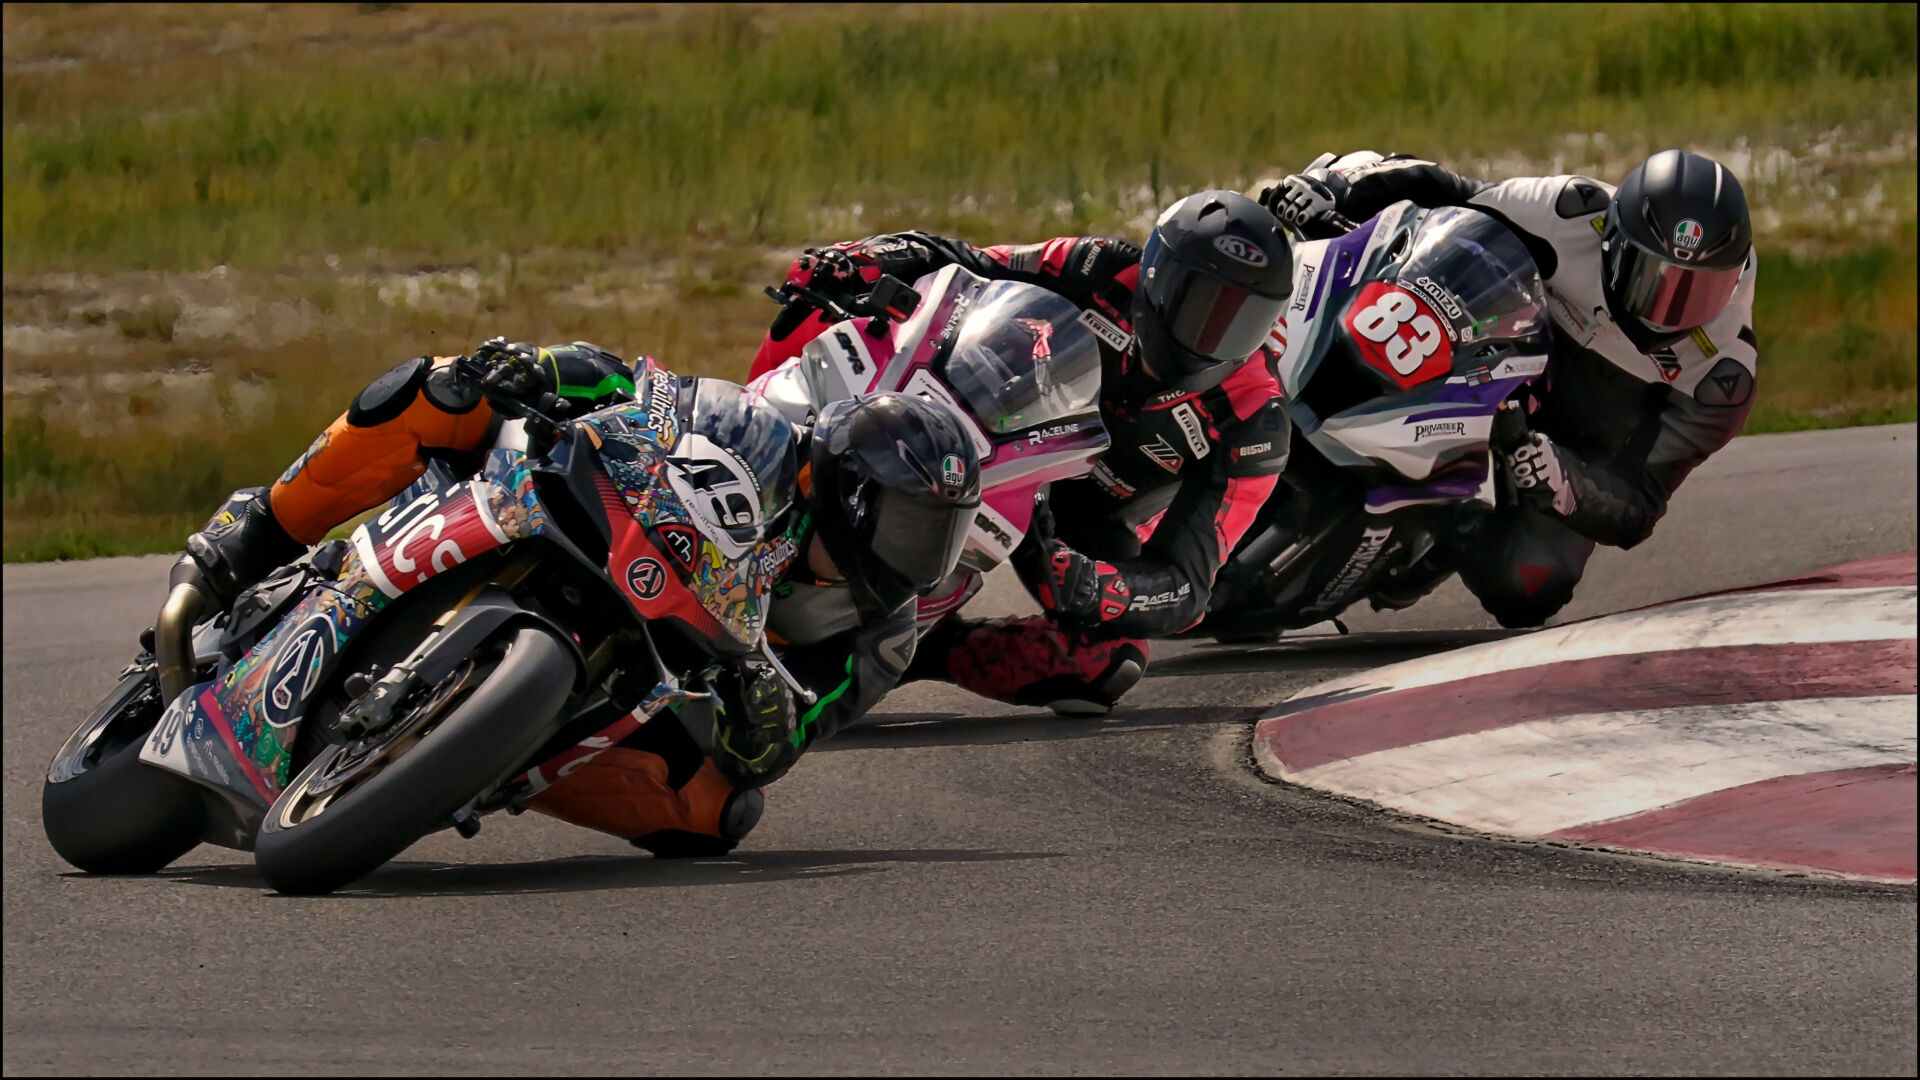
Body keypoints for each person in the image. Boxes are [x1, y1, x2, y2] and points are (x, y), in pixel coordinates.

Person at [182, 339, 981, 856]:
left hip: (671, 676)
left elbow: (789, 739)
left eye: (935, 536)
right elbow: (639, 385)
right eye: (907, 526)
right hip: (595, 523)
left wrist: (763, 703)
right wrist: (540, 369)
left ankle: (479, 755)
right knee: (441, 390)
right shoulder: (761, 431)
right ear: (844, 488)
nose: (914, 558)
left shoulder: (881, 636)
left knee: (718, 814)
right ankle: (261, 531)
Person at [753, 190, 1296, 715]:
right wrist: (870, 257)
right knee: (818, 301)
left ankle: (918, 651)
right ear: (1157, 277)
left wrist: (1101, 587)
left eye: (1240, 320)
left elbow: (1186, 585)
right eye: (1200, 303)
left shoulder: (1256, 419)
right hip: (996, 430)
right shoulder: (1097, 267)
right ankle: (749, 430)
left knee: (1105, 665)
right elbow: (966, 264)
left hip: (1082, 519)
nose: (1213, 334)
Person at [1260, 148, 1758, 626]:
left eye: (1699, 289)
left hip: (1565, 445)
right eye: (1654, 277)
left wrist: (1563, 481)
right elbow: (1448, 191)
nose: (1666, 307)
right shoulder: (1573, 210)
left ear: (1732, 280)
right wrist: (1336, 189)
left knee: (1529, 586)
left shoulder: (1721, 377)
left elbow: (1640, 504)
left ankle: (1435, 539)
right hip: (1489, 355)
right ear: (1613, 239)